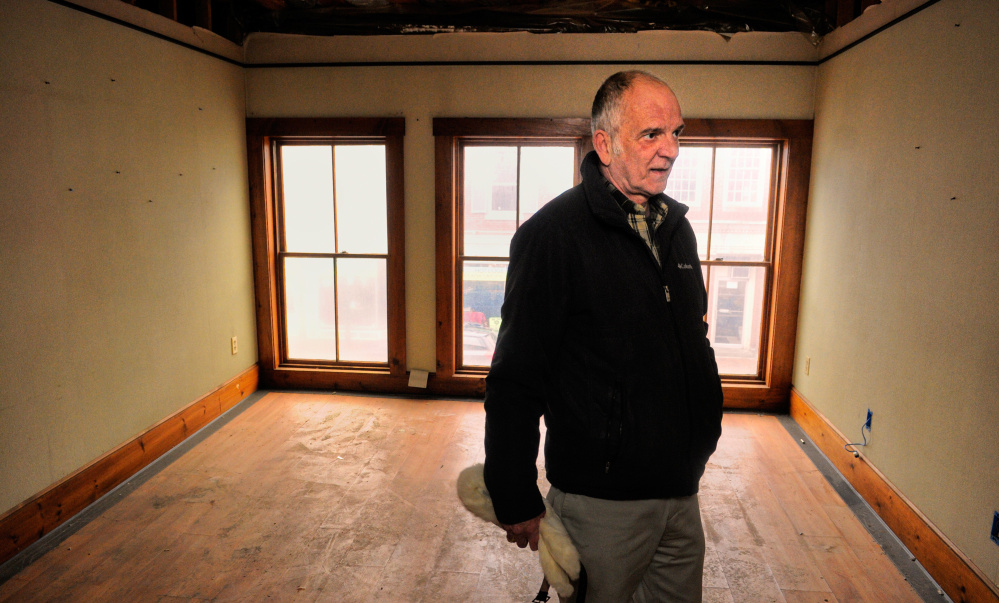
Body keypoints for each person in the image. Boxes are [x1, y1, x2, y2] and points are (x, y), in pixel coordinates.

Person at [482, 71, 724, 602]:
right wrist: (515, 493)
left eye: (677, 132)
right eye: (652, 134)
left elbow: (694, 340)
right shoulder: (552, 236)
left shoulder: (676, 228)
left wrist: (704, 435)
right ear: (604, 144)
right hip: (601, 502)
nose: (673, 150)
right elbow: (516, 376)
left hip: (682, 493)